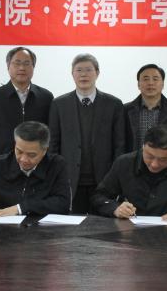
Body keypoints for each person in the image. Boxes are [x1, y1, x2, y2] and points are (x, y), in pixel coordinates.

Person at [48, 53, 125, 214]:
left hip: (104, 180)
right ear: (72, 74)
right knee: (72, 225)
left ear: (97, 73)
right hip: (70, 180)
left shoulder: (114, 104)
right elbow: (53, 144)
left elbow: (120, 144)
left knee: (105, 225)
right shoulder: (59, 104)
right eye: (79, 70)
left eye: (89, 70)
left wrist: (116, 176)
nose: (84, 74)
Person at [91, 125, 167, 222]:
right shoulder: (124, 163)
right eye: (149, 156)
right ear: (143, 147)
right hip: (129, 231)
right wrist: (116, 208)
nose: (154, 164)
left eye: (163, 160)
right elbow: (99, 196)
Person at [0, 121, 70, 217]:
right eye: (19, 151)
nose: (23, 159)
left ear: (44, 150)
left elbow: (63, 203)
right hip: (4, 230)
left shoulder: (56, 165)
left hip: (44, 232)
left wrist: (20, 208)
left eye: (31, 155)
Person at [0, 46, 54, 165]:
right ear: (8, 66)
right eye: (17, 63)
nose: (21, 68)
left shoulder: (45, 97)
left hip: (37, 165)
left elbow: (51, 136)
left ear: (33, 67)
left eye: (26, 63)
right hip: (2, 165)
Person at [124, 63, 167, 156]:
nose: (150, 83)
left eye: (155, 79)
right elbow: (120, 144)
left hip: (165, 163)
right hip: (133, 163)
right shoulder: (125, 110)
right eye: (146, 79)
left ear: (162, 84)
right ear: (138, 84)